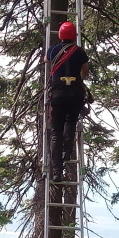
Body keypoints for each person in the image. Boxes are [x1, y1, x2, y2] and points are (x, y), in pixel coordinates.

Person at [47, 20, 90, 182]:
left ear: (60, 35)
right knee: (70, 121)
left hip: (58, 93)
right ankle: (67, 151)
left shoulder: (53, 50)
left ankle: (57, 172)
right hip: (75, 92)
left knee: (56, 132)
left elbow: (46, 60)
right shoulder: (80, 51)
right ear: (74, 36)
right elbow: (84, 73)